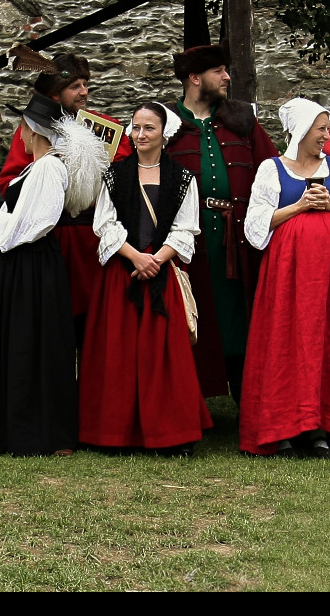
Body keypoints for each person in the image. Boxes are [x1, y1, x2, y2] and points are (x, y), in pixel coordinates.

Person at [0, 54, 108, 457]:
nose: (83, 91)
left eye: (85, 84)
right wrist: (3, 224)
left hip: (59, 245)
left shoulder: (66, 153)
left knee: (61, 338)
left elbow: (40, 215)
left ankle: (72, 420)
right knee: (35, 340)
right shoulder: (37, 158)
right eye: (74, 86)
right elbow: (15, 190)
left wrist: (4, 230)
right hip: (40, 249)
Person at [242, 97, 330, 457]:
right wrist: (298, 206)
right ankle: (282, 429)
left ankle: (320, 428)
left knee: (326, 341)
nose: (327, 135)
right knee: (286, 341)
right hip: (289, 274)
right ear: (301, 130)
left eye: (327, 128)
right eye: (321, 128)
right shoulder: (272, 169)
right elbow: (255, 224)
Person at [82, 103, 212, 453]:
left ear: (164, 133)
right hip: (122, 273)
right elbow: (104, 223)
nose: (140, 135)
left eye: (149, 128)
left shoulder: (182, 178)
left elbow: (186, 228)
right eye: (136, 127)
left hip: (161, 272)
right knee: (118, 354)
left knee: (163, 357)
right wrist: (135, 257)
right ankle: (114, 434)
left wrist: (156, 259)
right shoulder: (114, 175)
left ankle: (170, 434)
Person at [167, 45, 276, 407]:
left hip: (240, 239)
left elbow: (272, 170)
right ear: (195, 78)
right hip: (192, 243)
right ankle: (192, 405)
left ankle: (251, 401)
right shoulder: (168, 125)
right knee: (197, 316)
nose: (227, 77)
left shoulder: (242, 120)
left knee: (243, 314)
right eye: (218, 71)